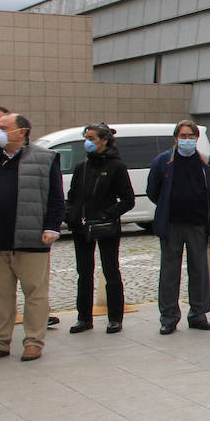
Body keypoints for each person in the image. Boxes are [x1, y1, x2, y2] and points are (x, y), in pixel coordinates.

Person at [0, 113, 64, 362]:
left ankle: (33, 342)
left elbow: (56, 197)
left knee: (35, 295)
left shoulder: (45, 158)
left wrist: (51, 226)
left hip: (30, 240)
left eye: (2, 127)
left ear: (22, 132)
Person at [146, 119, 210, 335]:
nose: (187, 140)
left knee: (199, 271)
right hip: (171, 224)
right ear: (176, 138)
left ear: (197, 138)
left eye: (191, 136)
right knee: (169, 273)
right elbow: (153, 191)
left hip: (197, 224)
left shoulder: (206, 161)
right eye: (183, 136)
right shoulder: (162, 161)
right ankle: (169, 317)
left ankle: (198, 313)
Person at [65, 123, 134, 334]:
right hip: (82, 227)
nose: (87, 141)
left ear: (104, 140)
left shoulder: (116, 166)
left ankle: (115, 318)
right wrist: (71, 215)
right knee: (83, 273)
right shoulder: (81, 166)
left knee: (111, 270)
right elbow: (73, 196)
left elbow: (127, 200)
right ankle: (84, 318)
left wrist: (107, 214)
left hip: (105, 227)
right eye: (86, 137)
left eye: (92, 138)